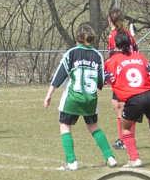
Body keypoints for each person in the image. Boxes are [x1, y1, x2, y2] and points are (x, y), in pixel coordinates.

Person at [43, 23, 117, 171]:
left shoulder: (72, 53)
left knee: (65, 125)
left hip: (73, 98)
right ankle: (110, 157)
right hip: (90, 99)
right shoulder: (97, 55)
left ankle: (71, 162)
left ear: (77, 37)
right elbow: (101, 82)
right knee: (93, 127)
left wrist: (49, 95)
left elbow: (59, 76)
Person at [104, 32, 150, 168]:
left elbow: (106, 79)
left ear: (116, 45)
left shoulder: (112, 61)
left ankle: (134, 159)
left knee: (126, 128)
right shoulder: (140, 57)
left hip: (133, 99)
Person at [107, 7, 139, 150]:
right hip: (129, 70)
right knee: (119, 105)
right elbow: (136, 50)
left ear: (110, 19)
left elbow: (114, 56)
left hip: (122, 73)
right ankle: (125, 138)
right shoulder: (125, 34)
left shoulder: (115, 35)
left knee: (122, 106)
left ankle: (125, 139)